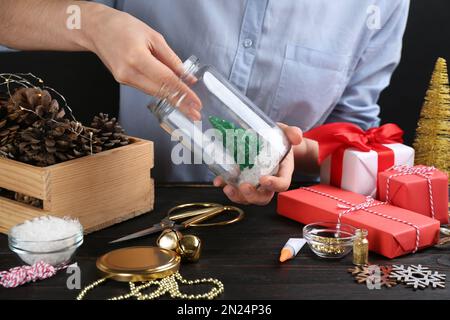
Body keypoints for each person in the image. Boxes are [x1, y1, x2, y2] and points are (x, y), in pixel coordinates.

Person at [0, 0, 410, 205]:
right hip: (132, 204)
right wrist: (92, 22)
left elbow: (353, 137)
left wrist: (289, 151)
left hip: (278, 230)